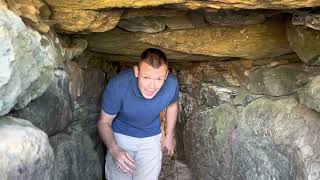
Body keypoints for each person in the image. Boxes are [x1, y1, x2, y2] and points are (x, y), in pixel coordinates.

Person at [98, 48, 179, 180]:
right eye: (146, 77)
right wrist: (114, 149)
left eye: (159, 79)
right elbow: (104, 122)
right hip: (120, 137)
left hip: (151, 138)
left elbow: (172, 104)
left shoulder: (171, 84)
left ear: (166, 76)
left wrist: (170, 135)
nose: (152, 86)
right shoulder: (118, 85)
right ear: (137, 71)